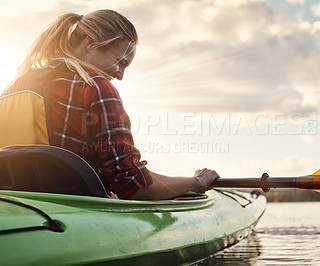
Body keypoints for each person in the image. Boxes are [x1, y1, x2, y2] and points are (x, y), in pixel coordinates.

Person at [2, 10, 219, 200]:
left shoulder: (17, 85)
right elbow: (131, 185)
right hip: (74, 211)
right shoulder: (96, 86)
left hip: (18, 206)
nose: (121, 75)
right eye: (120, 62)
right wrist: (196, 183)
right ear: (89, 43)